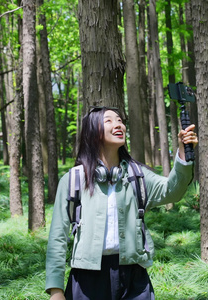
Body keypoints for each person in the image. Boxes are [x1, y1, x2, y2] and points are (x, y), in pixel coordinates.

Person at [45, 106, 198, 300]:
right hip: (87, 280)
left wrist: (184, 152)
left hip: (134, 277)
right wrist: (55, 289)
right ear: (93, 132)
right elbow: (58, 236)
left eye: (119, 120)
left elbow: (173, 191)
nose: (118, 125)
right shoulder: (73, 180)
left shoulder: (137, 175)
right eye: (108, 121)